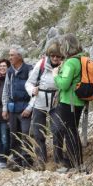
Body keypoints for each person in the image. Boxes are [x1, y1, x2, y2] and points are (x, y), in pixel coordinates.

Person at [26, 40, 63, 170]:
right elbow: (29, 83)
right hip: (39, 102)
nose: (55, 58)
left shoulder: (63, 67)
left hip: (56, 102)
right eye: (53, 56)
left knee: (57, 130)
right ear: (49, 55)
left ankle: (58, 160)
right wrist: (32, 90)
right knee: (37, 132)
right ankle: (41, 161)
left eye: (58, 56)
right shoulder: (41, 65)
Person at [51, 34, 86, 172]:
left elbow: (64, 84)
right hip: (78, 101)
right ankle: (77, 163)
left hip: (68, 102)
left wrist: (55, 75)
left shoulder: (71, 62)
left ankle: (74, 164)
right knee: (72, 131)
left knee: (70, 132)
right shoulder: (81, 59)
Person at [2, 46, 33, 170]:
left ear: (19, 56)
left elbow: (34, 89)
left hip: (25, 107)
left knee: (26, 134)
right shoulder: (9, 71)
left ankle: (28, 160)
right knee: (14, 135)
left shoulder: (29, 70)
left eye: (12, 55)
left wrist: (30, 108)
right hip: (13, 108)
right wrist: (5, 107)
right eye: (9, 55)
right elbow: (6, 90)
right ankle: (16, 160)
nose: (9, 58)